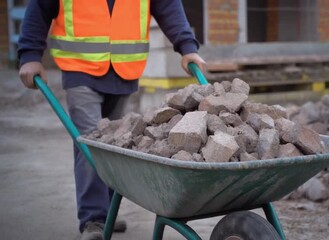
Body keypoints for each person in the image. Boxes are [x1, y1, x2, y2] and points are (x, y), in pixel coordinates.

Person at [17, 0, 206, 239]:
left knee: (116, 144)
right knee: (91, 141)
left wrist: (187, 47)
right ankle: (94, 218)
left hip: (124, 72)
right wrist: (30, 55)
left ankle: (105, 213)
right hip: (80, 70)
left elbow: (168, 6)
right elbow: (39, 9)